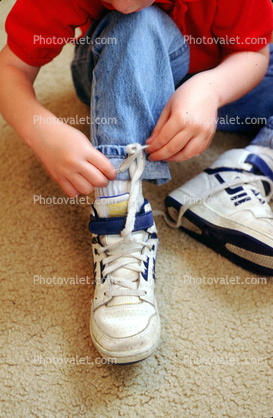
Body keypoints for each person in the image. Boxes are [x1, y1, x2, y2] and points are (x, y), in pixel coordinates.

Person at [0, 0, 273, 364]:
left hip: (216, 71)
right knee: (137, 22)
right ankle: (119, 217)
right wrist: (43, 131)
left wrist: (211, 89)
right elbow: (10, 69)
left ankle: (240, 174)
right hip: (117, 65)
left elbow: (252, 53)